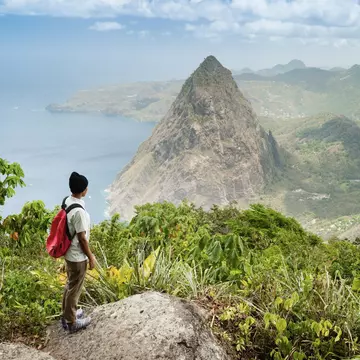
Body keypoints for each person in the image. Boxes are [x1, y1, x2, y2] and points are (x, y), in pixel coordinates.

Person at [61, 171, 95, 333]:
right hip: (77, 256)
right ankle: (72, 322)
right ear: (84, 190)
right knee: (75, 288)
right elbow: (82, 239)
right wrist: (91, 257)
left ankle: (67, 314)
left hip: (69, 253)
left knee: (70, 284)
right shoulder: (80, 213)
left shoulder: (68, 201)